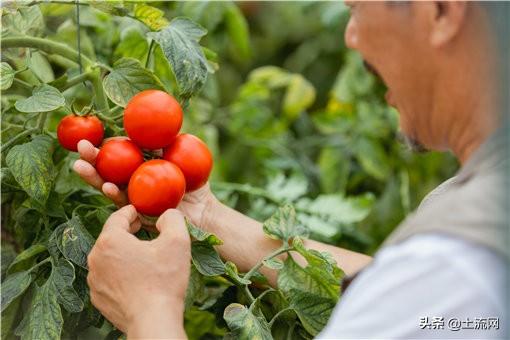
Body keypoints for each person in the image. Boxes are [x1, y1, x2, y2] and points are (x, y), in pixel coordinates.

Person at [76, 1, 509, 339]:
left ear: (441, 10)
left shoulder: (459, 267)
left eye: (356, 9)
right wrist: (207, 217)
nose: (351, 37)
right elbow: (409, 295)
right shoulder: (474, 230)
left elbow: (432, 290)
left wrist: (147, 310)